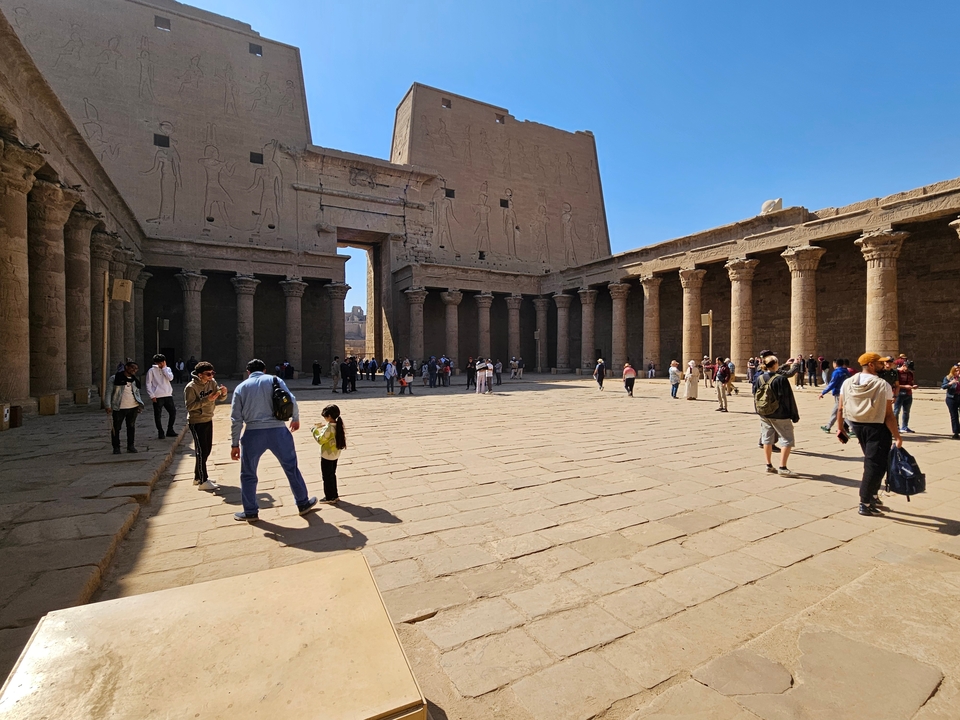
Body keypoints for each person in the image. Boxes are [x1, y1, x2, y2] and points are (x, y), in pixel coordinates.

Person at [230, 358, 317, 522]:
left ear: (248, 372)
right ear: (264, 370)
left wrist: (235, 444)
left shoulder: (240, 388)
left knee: (248, 473)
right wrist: (295, 418)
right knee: (291, 467)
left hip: (253, 433)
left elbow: (236, 419)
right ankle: (302, 503)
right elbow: (291, 399)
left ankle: (250, 511)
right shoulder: (274, 380)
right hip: (278, 430)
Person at [837, 352, 903, 516]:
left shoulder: (848, 382)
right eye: (880, 363)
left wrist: (840, 428)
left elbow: (840, 408)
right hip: (877, 427)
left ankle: (873, 496)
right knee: (873, 466)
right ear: (872, 365)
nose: (883, 366)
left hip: (857, 426)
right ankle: (865, 503)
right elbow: (889, 415)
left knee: (877, 463)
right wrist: (898, 436)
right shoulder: (883, 385)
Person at [753, 354, 800, 477]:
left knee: (767, 439)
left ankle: (768, 465)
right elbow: (788, 398)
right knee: (787, 439)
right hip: (780, 414)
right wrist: (794, 414)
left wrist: (759, 411)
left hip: (764, 413)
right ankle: (782, 467)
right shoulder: (781, 379)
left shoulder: (760, 378)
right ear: (775, 364)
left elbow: (755, 395)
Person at [184, 361, 228, 490]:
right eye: (208, 374)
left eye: (212, 373)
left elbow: (220, 398)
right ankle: (203, 481)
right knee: (201, 451)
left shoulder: (212, 383)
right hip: (196, 421)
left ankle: (198, 477)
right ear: (200, 375)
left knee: (207, 450)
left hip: (208, 418)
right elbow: (190, 406)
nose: (211, 376)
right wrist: (206, 400)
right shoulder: (191, 387)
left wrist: (223, 393)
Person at [312, 404, 347, 505]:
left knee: (326, 477)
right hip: (335, 454)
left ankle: (329, 496)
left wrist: (314, 431)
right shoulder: (338, 425)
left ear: (330, 416)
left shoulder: (329, 428)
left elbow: (321, 440)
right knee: (332, 474)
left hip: (327, 455)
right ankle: (334, 495)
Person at [107, 360, 144, 454]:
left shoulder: (134, 380)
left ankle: (130, 446)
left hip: (133, 406)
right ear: (126, 367)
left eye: (136, 369)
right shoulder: (115, 378)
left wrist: (139, 405)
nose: (134, 370)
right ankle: (116, 447)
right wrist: (107, 405)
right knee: (116, 428)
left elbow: (136, 393)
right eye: (132, 368)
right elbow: (108, 392)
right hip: (119, 407)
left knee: (131, 427)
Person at [146, 354, 177, 440]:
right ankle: (160, 431)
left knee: (173, 412)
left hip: (167, 394)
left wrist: (164, 369)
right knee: (158, 414)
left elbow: (170, 378)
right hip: (157, 395)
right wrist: (152, 395)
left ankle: (170, 429)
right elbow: (148, 383)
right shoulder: (151, 371)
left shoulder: (167, 369)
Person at [819, 359, 853, 435]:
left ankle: (853, 428)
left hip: (839, 394)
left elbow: (832, 383)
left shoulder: (837, 372)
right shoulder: (846, 371)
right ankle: (828, 426)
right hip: (846, 392)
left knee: (842, 412)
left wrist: (823, 392)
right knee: (837, 411)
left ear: (835, 364)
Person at [894, 358, 918, 433]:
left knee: (906, 411)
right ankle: (896, 426)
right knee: (896, 411)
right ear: (904, 365)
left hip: (908, 394)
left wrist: (913, 386)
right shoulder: (896, 373)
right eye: (907, 368)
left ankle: (905, 426)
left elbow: (911, 382)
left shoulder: (910, 373)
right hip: (899, 393)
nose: (908, 370)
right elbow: (894, 384)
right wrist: (904, 386)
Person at [942, 364, 960, 439]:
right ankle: (956, 432)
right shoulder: (948, 378)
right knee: (954, 415)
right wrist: (950, 383)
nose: (958, 372)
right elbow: (943, 386)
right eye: (956, 370)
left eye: (958, 370)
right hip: (951, 398)